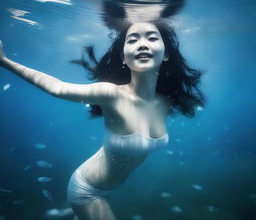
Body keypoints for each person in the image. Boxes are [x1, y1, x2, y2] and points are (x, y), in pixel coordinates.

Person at [0, 21, 205, 220]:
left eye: (152, 38)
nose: (143, 44)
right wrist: (5, 62)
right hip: (88, 190)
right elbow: (56, 87)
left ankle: (63, 214)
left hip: (110, 188)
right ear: (123, 57)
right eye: (132, 40)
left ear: (166, 53)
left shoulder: (165, 101)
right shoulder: (110, 94)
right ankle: (70, 209)